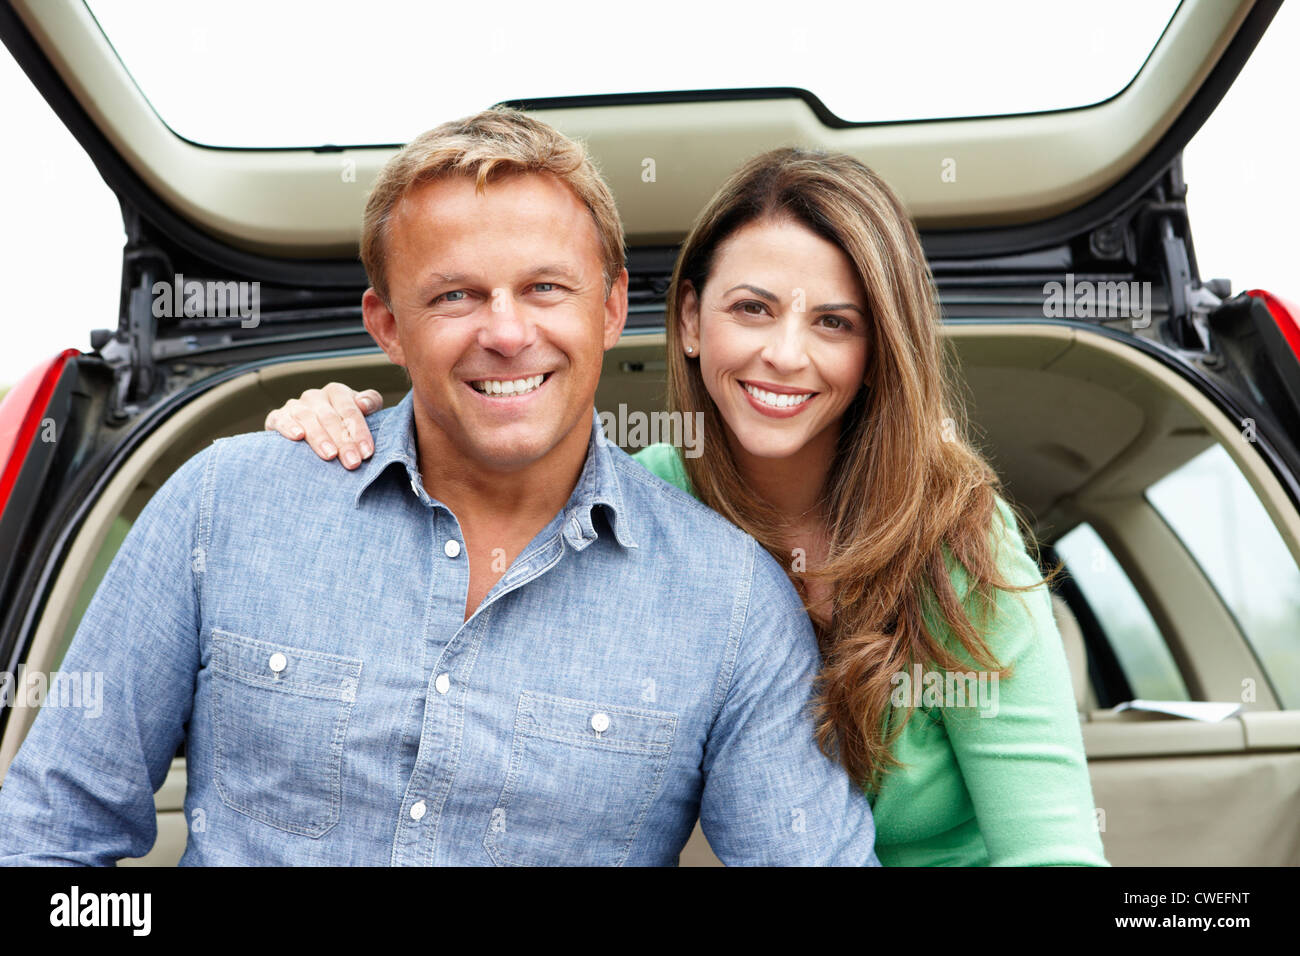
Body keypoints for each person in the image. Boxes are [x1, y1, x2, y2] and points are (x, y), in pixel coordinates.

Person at [0, 108, 879, 866]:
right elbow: (48, 838)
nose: (506, 332)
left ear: (611, 308)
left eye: (545, 288)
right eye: (456, 295)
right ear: (387, 323)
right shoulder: (225, 505)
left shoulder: (729, 605)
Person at [269, 145, 1109, 866]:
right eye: (753, 309)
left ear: (878, 348)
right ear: (689, 321)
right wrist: (350, 425)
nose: (785, 354)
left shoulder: (954, 537)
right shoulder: (634, 506)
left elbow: (1052, 849)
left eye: (834, 322)